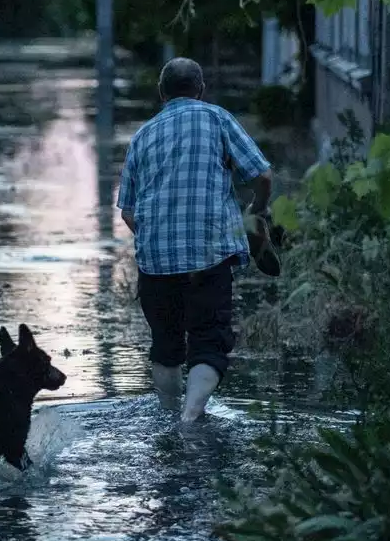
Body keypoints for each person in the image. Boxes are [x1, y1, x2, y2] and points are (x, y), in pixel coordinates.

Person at [117, 57, 274, 424]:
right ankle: (190, 417)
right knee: (209, 339)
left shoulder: (142, 136)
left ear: (161, 93)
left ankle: (171, 418)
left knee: (166, 345)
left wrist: (158, 237)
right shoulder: (216, 118)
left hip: (155, 261)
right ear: (201, 90)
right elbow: (262, 176)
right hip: (209, 253)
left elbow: (127, 212)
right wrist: (256, 213)